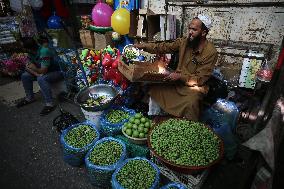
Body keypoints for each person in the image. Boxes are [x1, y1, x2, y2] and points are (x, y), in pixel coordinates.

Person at [134, 15, 218, 121]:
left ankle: (185, 126)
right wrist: (144, 46)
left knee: (192, 102)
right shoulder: (184, 42)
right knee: (154, 88)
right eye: (189, 28)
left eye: (194, 30)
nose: (190, 32)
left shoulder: (211, 52)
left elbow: (200, 79)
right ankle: (157, 118)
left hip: (193, 87)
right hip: (176, 81)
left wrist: (180, 76)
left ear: (204, 33)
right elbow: (164, 46)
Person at [16, 36, 63, 116]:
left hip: (57, 72)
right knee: (25, 76)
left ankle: (49, 104)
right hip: (42, 72)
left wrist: (36, 71)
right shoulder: (30, 53)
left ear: (28, 48)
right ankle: (30, 97)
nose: (21, 48)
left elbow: (43, 71)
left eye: (22, 46)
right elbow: (28, 68)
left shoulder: (43, 51)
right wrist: (36, 73)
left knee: (41, 79)